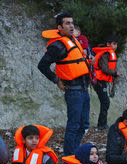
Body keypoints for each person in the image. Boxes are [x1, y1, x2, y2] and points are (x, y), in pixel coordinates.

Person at [38, 12, 91, 156]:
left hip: (84, 89)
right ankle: (69, 157)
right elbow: (42, 65)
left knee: (84, 124)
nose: (71, 25)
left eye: (72, 22)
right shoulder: (58, 45)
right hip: (73, 91)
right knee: (74, 125)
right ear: (59, 27)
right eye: (67, 23)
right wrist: (56, 80)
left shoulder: (73, 40)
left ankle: (75, 152)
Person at [93, 35, 122, 130]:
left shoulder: (108, 53)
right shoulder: (105, 54)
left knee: (105, 102)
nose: (115, 46)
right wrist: (115, 73)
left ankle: (102, 124)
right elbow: (104, 69)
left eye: (116, 44)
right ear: (108, 44)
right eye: (113, 44)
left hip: (101, 81)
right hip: (99, 81)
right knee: (105, 102)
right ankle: (102, 125)